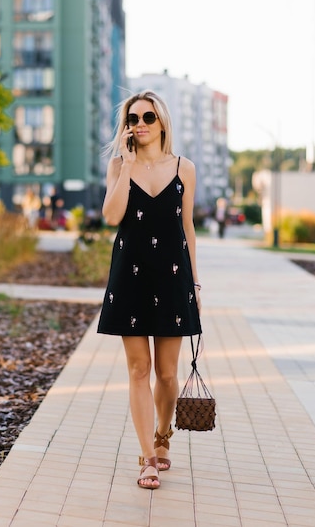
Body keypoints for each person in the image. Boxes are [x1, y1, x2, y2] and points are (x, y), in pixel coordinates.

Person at [97, 90, 202, 490]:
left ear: (162, 123)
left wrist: (195, 282)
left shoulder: (184, 168)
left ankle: (162, 434)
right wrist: (125, 166)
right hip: (131, 276)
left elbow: (188, 228)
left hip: (174, 276)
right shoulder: (118, 165)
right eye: (133, 117)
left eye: (148, 117)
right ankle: (147, 457)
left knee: (168, 374)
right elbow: (111, 216)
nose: (140, 123)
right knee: (139, 369)